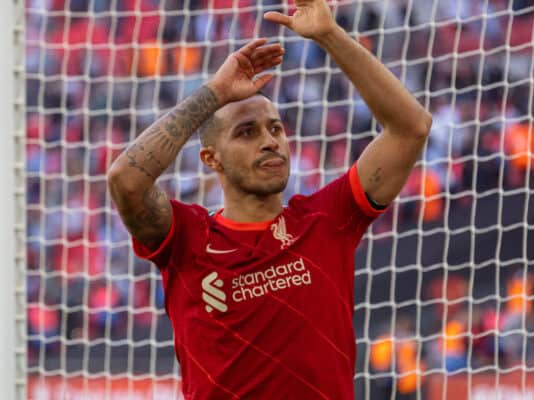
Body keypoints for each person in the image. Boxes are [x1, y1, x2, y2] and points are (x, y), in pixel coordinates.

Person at [108, 0, 432, 398]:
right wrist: (214, 93)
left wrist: (330, 35)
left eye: (276, 128)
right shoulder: (187, 238)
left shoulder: (326, 218)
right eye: (247, 132)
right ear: (211, 158)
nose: (270, 141)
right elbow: (125, 180)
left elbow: (411, 128)